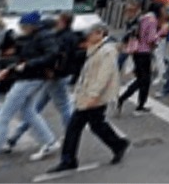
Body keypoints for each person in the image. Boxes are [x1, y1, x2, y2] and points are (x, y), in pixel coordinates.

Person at [0, 11, 60, 177]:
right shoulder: (34, 36)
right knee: (28, 112)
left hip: (29, 79)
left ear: (31, 26)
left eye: (24, 26)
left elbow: (49, 55)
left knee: (3, 118)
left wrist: (26, 65)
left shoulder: (42, 37)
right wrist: (10, 69)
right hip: (31, 78)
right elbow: (25, 58)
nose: (21, 29)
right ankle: (49, 142)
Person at [47, 23, 130, 173]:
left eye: (90, 34)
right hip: (88, 95)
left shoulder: (107, 51)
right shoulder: (96, 49)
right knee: (95, 125)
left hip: (95, 97)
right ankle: (118, 144)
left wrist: (94, 95)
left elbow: (104, 76)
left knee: (76, 127)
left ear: (100, 34)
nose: (88, 37)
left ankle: (69, 160)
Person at [3, 13, 79, 152]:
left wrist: (53, 71)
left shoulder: (62, 38)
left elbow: (59, 57)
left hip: (56, 77)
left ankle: (69, 136)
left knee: (56, 107)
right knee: (36, 108)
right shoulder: (68, 36)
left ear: (63, 22)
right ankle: (15, 137)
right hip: (56, 76)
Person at [117, 1, 161, 114]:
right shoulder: (152, 20)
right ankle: (127, 99)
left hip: (136, 52)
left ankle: (138, 103)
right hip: (145, 52)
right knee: (144, 80)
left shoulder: (143, 18)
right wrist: (159, 36)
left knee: (142, 79)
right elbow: (151, 38)